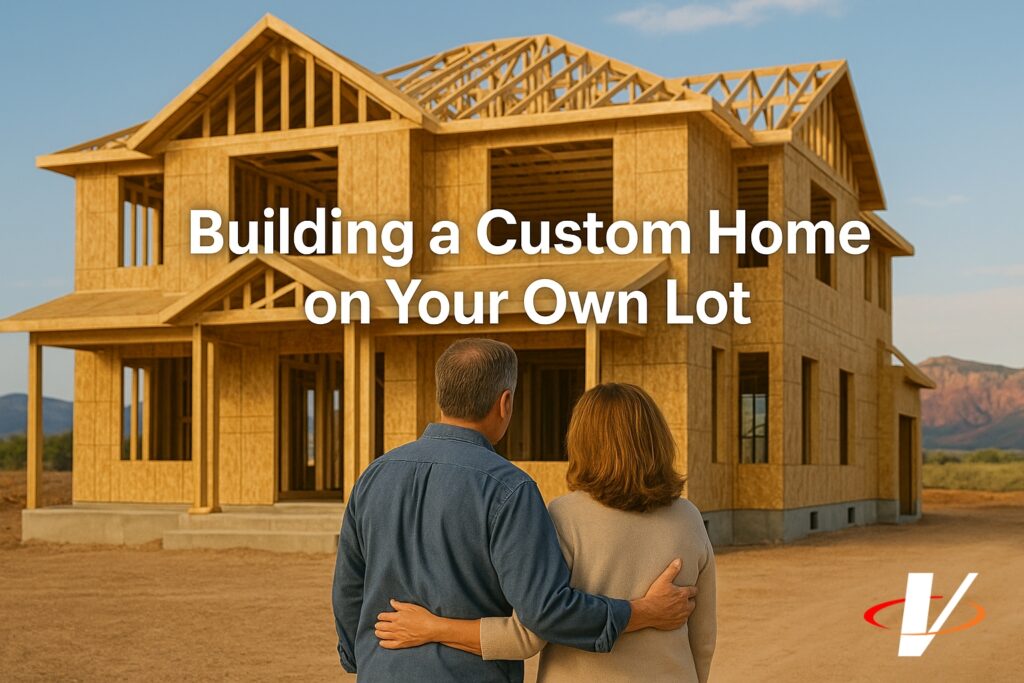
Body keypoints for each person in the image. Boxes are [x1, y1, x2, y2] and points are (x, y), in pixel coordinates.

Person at [332, 340, 697, 682]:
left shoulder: (373, 476)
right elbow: (545, 611)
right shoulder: (510, 488)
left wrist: (362, 656)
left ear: (440, 396)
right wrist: (641, 612)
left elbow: (349, 590)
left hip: (381, 670)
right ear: (505, 403)